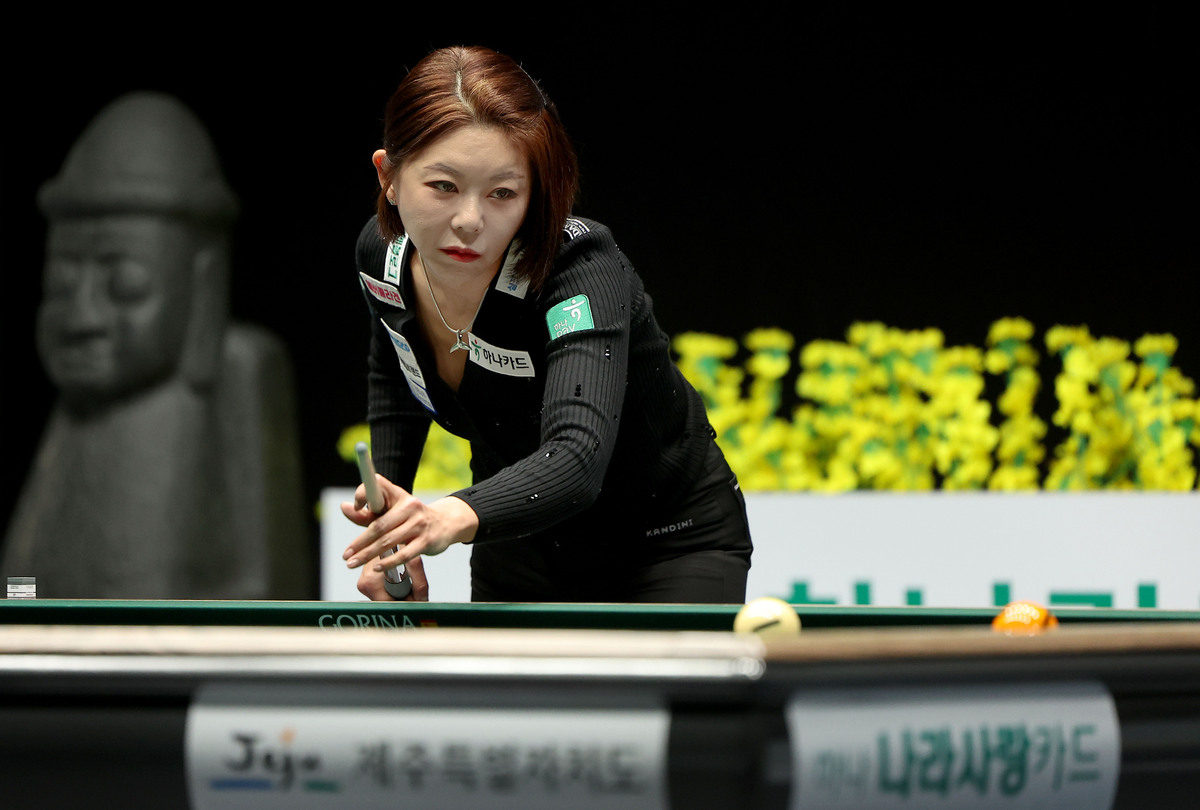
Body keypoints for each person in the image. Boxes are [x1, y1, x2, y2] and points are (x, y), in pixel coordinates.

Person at [343, 46, 751, 602]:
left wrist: (445, 516)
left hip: (666, 541)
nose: (469, 220)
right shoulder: (381, 256)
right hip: (520, 542)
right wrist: (392, 536)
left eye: (502, 193)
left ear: (534, 193)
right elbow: (396, 369)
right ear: (388, 176)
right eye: (443, 186)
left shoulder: (580, 270)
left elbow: (576, 456)